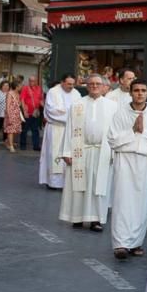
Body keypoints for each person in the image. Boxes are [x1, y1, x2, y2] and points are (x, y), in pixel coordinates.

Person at [107, 78, 147, 260]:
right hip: (125, 160)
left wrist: (143, 132)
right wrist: (132, 131)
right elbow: (113, 140)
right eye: (136, 90)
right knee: (123, 201)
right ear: (130, 92)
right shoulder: (120, 114)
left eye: (143, 90)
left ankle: (136, 242)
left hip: (145, 162)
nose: (139, 93)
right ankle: (121, 244)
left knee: (141, 202)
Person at [58, 74, 116, 231]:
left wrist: (114, 152)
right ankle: (76, 217)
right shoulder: (77, 104)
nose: (94, 86)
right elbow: (69, 128)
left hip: (102, 151)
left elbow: (115, 131)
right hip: (80, 150)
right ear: (86, 86)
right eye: (91, 83)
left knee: (99, 186)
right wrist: (67, 151)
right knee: (78, 186)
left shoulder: (112, 106)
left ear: (104, 86)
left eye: (98, 83)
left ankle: (96, 219)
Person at [39, 74, 81, 189]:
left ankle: (66, 183)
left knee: (67, 154)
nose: (71, 86)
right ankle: (53, 183)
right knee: (54, 154)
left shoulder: (76, 93)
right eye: (68, 84)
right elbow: (52, 111)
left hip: (70, 130)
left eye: (73, 84)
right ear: (62, 82)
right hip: (55, 128)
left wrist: (67, 113)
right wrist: (69, 114)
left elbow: (79, 111)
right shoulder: (53, 92)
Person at [19, 76, 44, 151]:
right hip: (27, 112)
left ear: (36, 81)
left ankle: (36, 146)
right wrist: (24, 111)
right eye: (30, 80)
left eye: (33, 81)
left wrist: (45, 107)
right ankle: (23, 145)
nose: (31, 82)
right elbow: (22, 100)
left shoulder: (39, 89)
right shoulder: (25, 88)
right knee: (24, 129)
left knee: (35, 130)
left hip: (35, 112)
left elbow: (40, 100)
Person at [4, 80, 23, 153]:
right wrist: (8, 116)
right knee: (11, 130)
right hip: (11, 114)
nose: (21, 87)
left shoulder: (18, 93)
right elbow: (8, 105)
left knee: (16, 130)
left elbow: (19, 104)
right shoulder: (10, 93)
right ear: (17, 86)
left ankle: (8, 141)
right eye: (20, 86)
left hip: (17, 114)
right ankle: (11, 146)